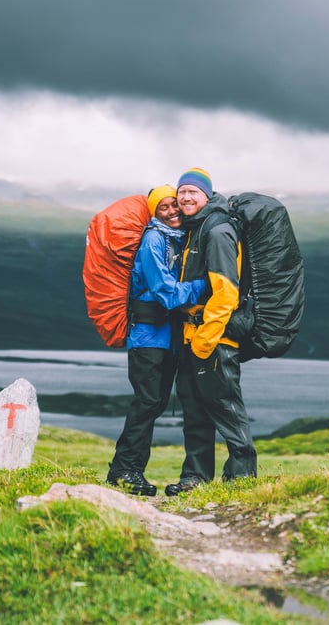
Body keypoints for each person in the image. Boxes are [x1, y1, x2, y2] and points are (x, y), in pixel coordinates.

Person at [106, 185, 205, 496]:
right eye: (163, 208)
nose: (173, 211)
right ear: (154, 213)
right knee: (148, 402)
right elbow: (166, 292)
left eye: (174, 204)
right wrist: (208, 284)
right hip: (148, 336)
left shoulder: (176, 239)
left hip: (165, 338)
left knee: (153, 403)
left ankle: (129, 470)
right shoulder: (153, 240)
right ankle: (124, 471)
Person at [165, 168, 257, 497]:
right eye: (182, 192)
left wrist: (207, 338)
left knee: (225, 408)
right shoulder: (196, 228)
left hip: (215, 339)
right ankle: (196, 478)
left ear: (207, 195)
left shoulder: (217, 231)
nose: (186, 197)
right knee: (195, 410)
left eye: (193, 192)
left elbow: (226, 292)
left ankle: (242, 479)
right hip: (193, 338)